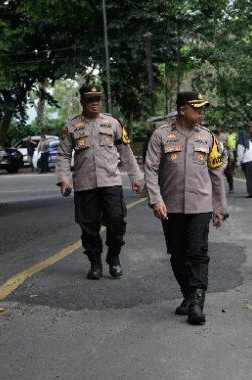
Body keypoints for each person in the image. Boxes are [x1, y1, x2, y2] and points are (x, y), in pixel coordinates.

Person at [144, 91, 227, 325]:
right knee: (178, 254)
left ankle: (198, 304)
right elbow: (150, 170)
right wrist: (156, 199)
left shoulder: (208, 137)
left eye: (203, 109)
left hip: (200, 205)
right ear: (182, 110)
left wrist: (219, 206)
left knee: (198, 253)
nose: (201, 112)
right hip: (169, 207)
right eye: (197, 108)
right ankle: (188, 295)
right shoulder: (161, 136)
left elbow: (216, 174)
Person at [56, 84, 142, 280]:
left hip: (110, 182)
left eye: (97, 99)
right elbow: (62, 155)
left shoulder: (113, 123)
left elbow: (126, 152)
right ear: (82, 103)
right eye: (89, 100)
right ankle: (95, 262)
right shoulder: (71, 126)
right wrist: (64, 180)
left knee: (117, 221)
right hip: (85, 184)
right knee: (88, 226)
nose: (94, 103)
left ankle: (114, 257)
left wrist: (135, 178)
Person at [237, 127, 252, 198]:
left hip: (247, 160)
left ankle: (251, 193)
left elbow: (240, 154)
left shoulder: (240, 143)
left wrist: (238, 162)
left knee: (249, 177)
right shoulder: (249, 142)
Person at [225, 126, 237, 193]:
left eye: (231, 128)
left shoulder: (235, 135)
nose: (230, 129)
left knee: (229, 170)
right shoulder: (226, 135)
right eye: (229, 128)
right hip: (221, 154)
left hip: (232, 151)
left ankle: (231, 186)